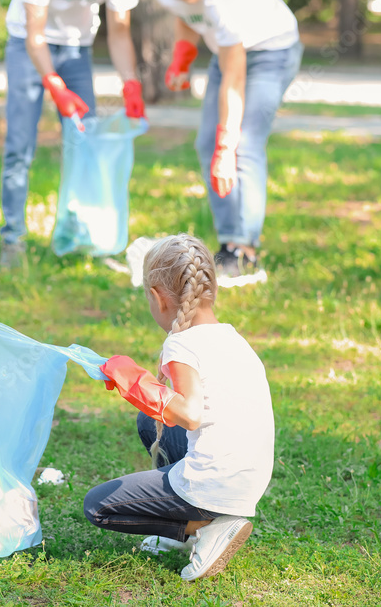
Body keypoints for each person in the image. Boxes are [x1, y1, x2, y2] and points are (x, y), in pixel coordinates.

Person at [84, 234, 274, 581]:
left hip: (216, 485)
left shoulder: (182, 345)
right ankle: (206, 519)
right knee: (149, 423)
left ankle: (200, 526)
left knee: (98, 506)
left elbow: (188, 414)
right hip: (248, 481)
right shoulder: (233, 337)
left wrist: (137, 384)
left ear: (157, 298)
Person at [140, 0, 303, 280]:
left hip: (272, 50)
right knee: (205, 144)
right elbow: (185, 14)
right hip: (226, 49)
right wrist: (183, 58)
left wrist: (227, 147)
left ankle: (245, 250)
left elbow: (234, 80)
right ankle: (229, 243)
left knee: (242, 145)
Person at [0, 0, 145, 268]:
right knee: (20, 145)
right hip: (27, 45)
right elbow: (35, 35)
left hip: (77, 48)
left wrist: (131, 83)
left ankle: (83, 235)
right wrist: (54, 85)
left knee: (86, 143)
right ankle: (13, 239)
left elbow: (120, 33)